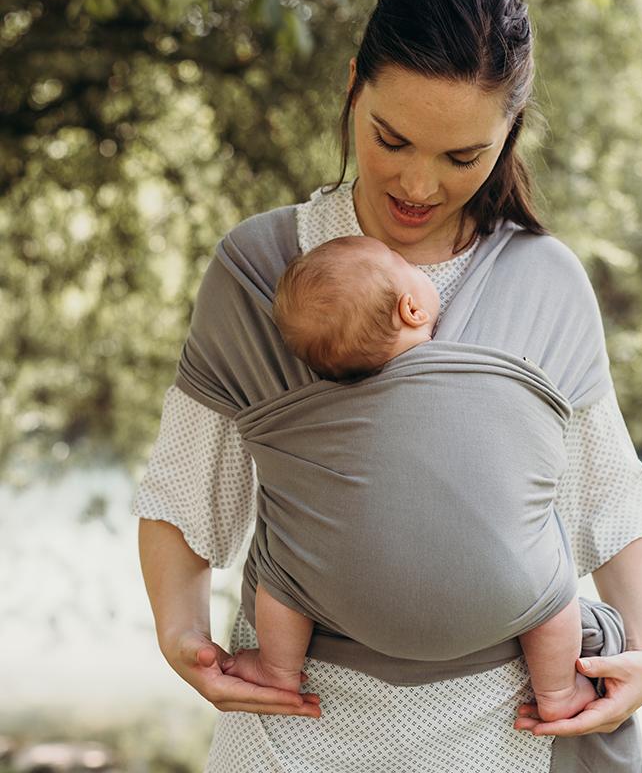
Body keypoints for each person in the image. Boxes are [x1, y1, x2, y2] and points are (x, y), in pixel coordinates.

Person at [133, 0, 642, 771]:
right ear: (354, 87)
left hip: (508, 733)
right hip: (295, 732)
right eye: (392, 140)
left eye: (462, 156)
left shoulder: (545, 282)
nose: (419, 187)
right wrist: (179, 633)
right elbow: (186, 484)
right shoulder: (262, 274)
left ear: (510, 130)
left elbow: (607, 493)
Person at [220, 233, 598, 724]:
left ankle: (278, 670)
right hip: (503, 597)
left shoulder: (310, 419)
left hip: (346, 603)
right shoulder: (488, 375)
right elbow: (540, 423)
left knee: (284, 571)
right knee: (549, 587)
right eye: (404, 265)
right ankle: (558, 692)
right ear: (413, 310)